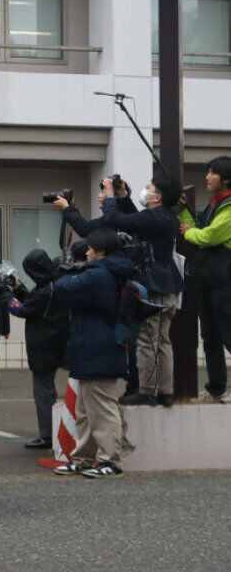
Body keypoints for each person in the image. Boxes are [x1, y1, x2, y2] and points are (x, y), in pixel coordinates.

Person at [50, 229, 135, 478]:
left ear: (101, 251)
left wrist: (65, 269)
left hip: (99, 347)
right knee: (86, 410)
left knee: (102, 408)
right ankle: (84, 458)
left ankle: (110, 461)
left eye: (89, 248)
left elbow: (63, 289)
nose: (85, 252)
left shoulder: (99, 274)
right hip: (97, 345)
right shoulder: (111, 272)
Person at [98, 174, 184, 407]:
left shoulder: (155, 217)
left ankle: (147, 391)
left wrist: (108, 198)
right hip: (169, 285)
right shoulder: (164, 217)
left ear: (158, 196)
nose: (145, 190)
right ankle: (165, 391)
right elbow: (135, 220)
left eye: (149, 187)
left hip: (153, 285)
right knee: (163, 341)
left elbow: (115, 219)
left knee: (148, 340)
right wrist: (123, 196)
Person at [53, 183, 141, 396]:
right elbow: (89, 229)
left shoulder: (117, 221)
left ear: (101, 250)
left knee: (131, 341)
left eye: (103, 192)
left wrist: (68, 210)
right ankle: (133, 384)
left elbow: (88, 228)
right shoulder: (113, 227)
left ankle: (135, 384)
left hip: (110, 320)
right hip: (105, 320)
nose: (100, 196)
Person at [178, 155, 231, 404]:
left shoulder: (229, 208)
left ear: (227, 179)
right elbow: (192, 230)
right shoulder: (210, 205)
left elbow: (208, 236)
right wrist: (182, 211)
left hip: (223, 282)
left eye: (213, 172)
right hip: (205, 281)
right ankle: (216, 389)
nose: (207, 177)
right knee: (210, 337)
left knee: (228, 334)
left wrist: (191, 232)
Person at [8, 250, 70, 449]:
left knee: (43, 393)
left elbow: (24, 310)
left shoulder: (46, 290)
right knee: (48, 391)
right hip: (56, 343)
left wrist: (5, 296)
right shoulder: (53, 285)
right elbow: (32, 302)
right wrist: (18, 289)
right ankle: (52, 433)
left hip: (45, 347)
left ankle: (48, 435)